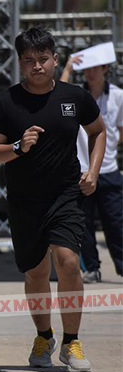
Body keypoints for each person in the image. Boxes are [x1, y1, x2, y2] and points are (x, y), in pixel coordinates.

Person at [0, 27, 106, 372]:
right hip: (24, 199)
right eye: (28, 60)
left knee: (68, 261)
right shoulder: (5, 102)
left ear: (55, 59)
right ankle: (43, 337)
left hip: (66, 194)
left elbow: (98, 131)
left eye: (42, 59)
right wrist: (18, 146)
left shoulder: (75, 97)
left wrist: (93, 171)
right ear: (20, 63)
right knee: (36, 272)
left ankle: (72, 342)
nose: (36, 66)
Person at [60, 54, 122, 282]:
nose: (90, 72)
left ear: (105, 68)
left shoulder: (118, 95)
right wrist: (68, 67)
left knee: (115, 222)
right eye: (87, 68)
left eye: (95, 67)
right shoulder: (76, 94)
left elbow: (120, 130)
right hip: (82, 169)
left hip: (108, 168)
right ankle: (92, 268)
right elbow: (58, 93)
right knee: (83, 224)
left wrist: (108, 147)